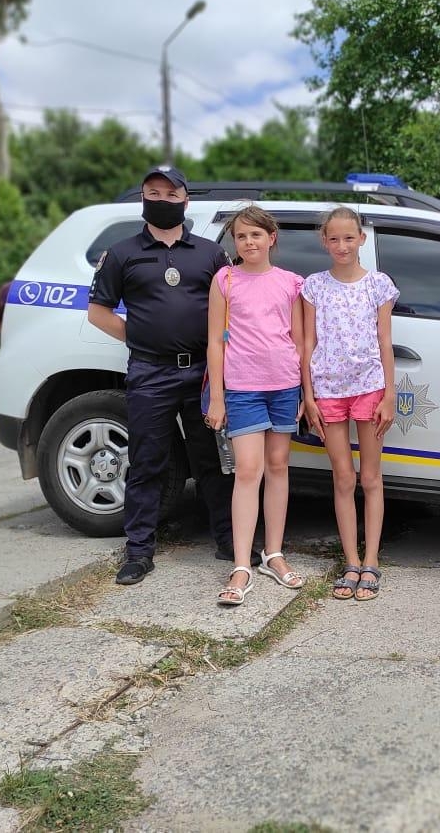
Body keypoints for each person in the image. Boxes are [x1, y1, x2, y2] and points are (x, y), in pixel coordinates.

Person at [87, 165, 235, 586]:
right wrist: (139, 338)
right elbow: (98, 311)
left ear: (186, 201)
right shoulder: (121, 253)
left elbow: (230, 314)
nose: (163, 200)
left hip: (204, 372)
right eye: (154, 192)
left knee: (213, 460)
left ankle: (228, 541)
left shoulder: (211, 254)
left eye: (172, 195)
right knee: (148, 462)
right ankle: (138, 552)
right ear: (143, 197)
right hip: (150, 372)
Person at [204, 205, 306, 606]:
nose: (249, 242)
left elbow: (299, 342)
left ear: (271, 238)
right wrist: (217, 395)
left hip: (284, 385)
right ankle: (242, 565)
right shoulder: (225, 280)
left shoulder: (291, 283)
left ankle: (273, 554)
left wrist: (302, 393)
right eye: (242, 236)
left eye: (256, 235)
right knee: (248, 470)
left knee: (279, 466)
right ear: (235, 242)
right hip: (242, 388)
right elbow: (215, 340)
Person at [300, 206, 399, 601]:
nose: (342, 245)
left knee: (370, 478)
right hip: (327, 391)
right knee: (343, 478)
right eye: (334, 238)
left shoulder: (378, 285)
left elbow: (385, 341)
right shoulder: (314, 287)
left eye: (348, 237)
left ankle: (371, 561)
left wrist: (389, 393)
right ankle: (350, 562)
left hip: (369, 387)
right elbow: (306, 344)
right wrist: (308, 397)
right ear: (324, 242)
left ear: (362, 239)